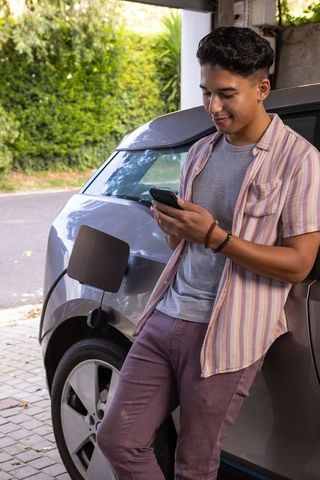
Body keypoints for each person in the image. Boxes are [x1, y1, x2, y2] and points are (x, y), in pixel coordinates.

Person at [97, 26, 320, 479]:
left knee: (194, 466)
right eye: (206, 92)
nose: (213, 107)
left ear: (261, 89)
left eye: (226, 94)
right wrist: (175, 229)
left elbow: (299, 264)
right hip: (165, 315)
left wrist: (215, 237)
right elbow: (187, 247)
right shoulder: (199, 151)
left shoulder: (299, 161)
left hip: (227, 333)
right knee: (117, 438)